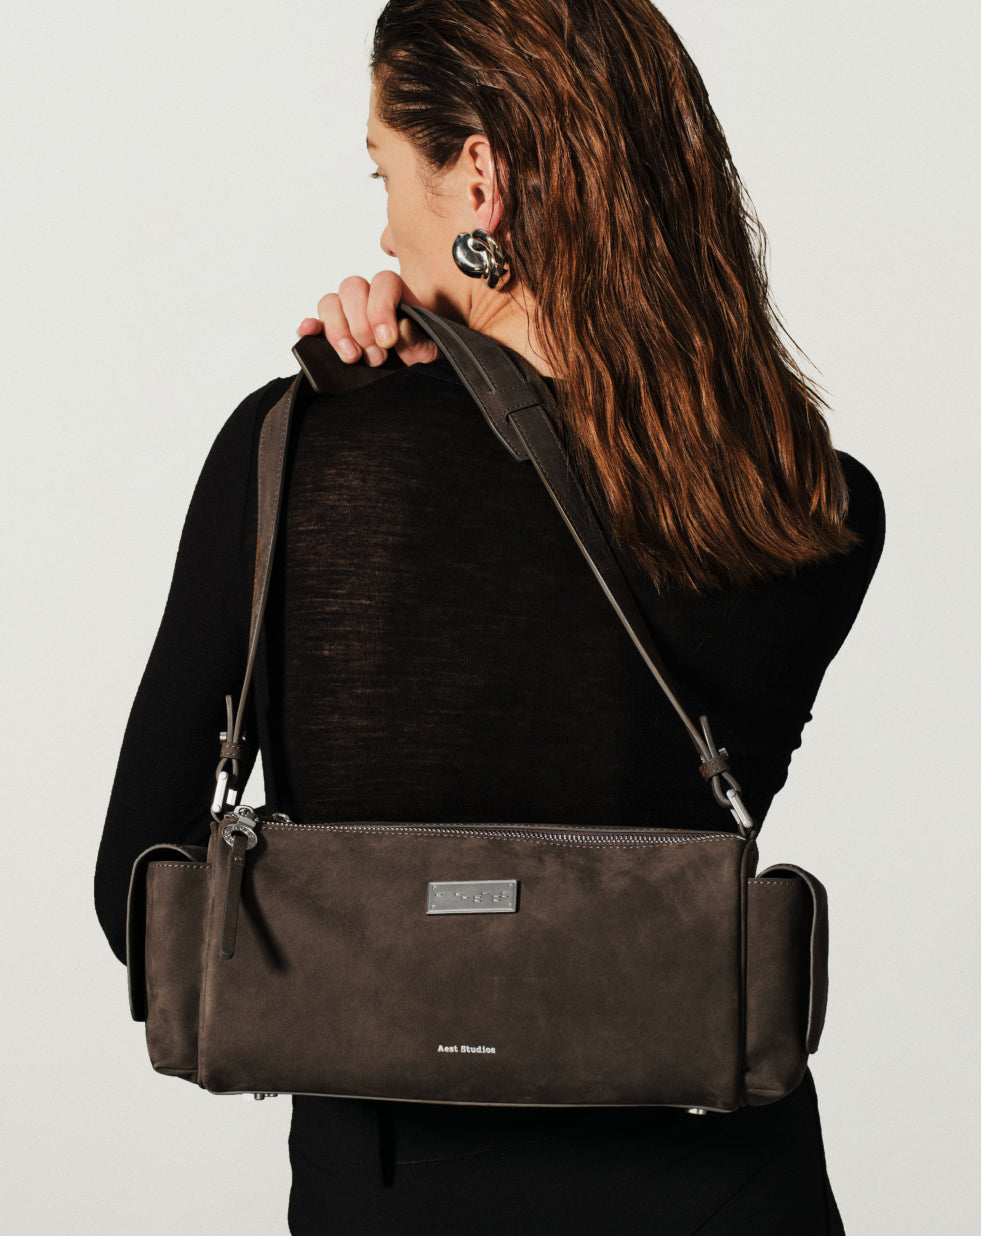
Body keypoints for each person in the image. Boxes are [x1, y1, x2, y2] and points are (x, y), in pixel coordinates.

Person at [95, 1, 885, 1231]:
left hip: (393, 1197)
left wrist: (353, 402)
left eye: (384, 172)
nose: (382, 227)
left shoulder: (290, 456)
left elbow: (138, 902)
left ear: (480, 181)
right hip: (728, 1186)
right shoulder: (811, 504)